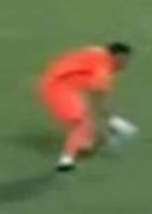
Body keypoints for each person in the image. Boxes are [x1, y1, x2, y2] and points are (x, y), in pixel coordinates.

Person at [37, 42, 137, 172]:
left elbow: (95, 96)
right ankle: (66, 159)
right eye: (124, 60)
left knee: (86, 135)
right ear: (118, 57)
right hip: (58, 87)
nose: (125, 65)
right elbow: (100, 97)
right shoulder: (103, 67)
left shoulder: (98, 54)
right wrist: (113, 121)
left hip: (57, 83)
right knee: (81, 125)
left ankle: (85, 141)